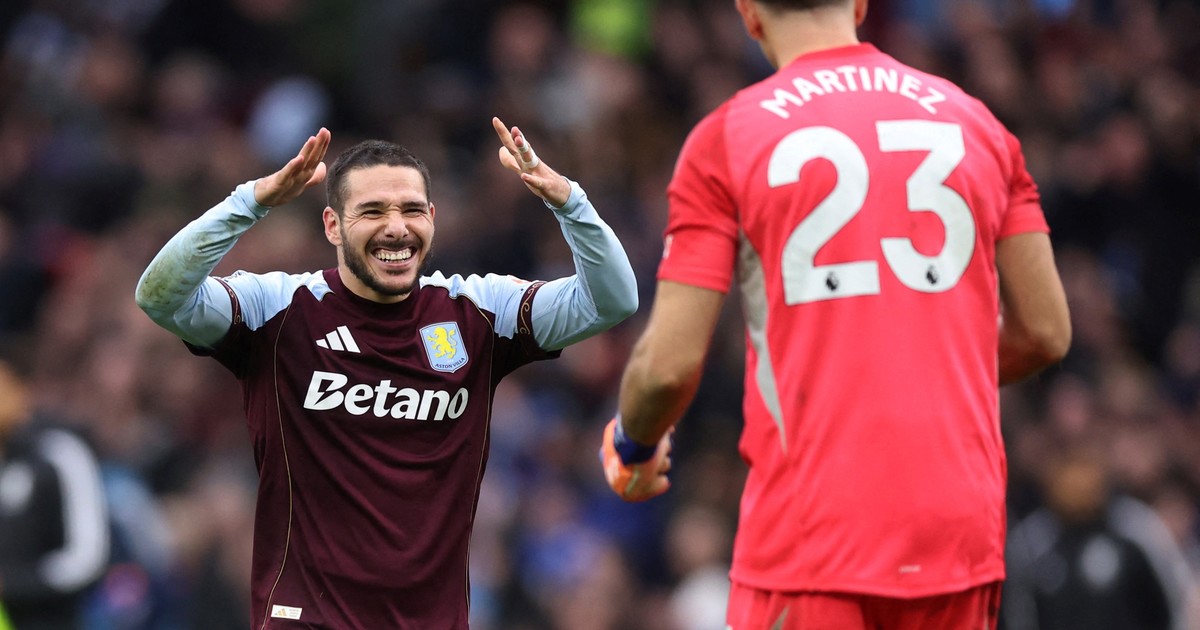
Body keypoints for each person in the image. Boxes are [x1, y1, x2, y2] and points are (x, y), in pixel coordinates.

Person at [597, 1, 1072, 628]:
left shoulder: (728, 137)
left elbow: (667, 368)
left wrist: (633, 444)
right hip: (958, 531)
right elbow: (1046, 331)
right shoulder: (977, 124)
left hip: (813, 533)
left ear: (749, 12)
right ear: (860, 4)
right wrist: (922, 372)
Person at [135, 118, 638, 628]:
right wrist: (250, 202)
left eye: (412, 210)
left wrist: (569, 203)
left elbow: (613, 301)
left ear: (432, 219)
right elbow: (160, 297)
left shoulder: (480, 311)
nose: (396, 227)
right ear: (333, 225)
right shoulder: (278, 308)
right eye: (372, 211)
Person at [0, 358, 111, 630]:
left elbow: (87, 557)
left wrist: (14, 582)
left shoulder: (59, 450)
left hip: (51, 619)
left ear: (21, 388)